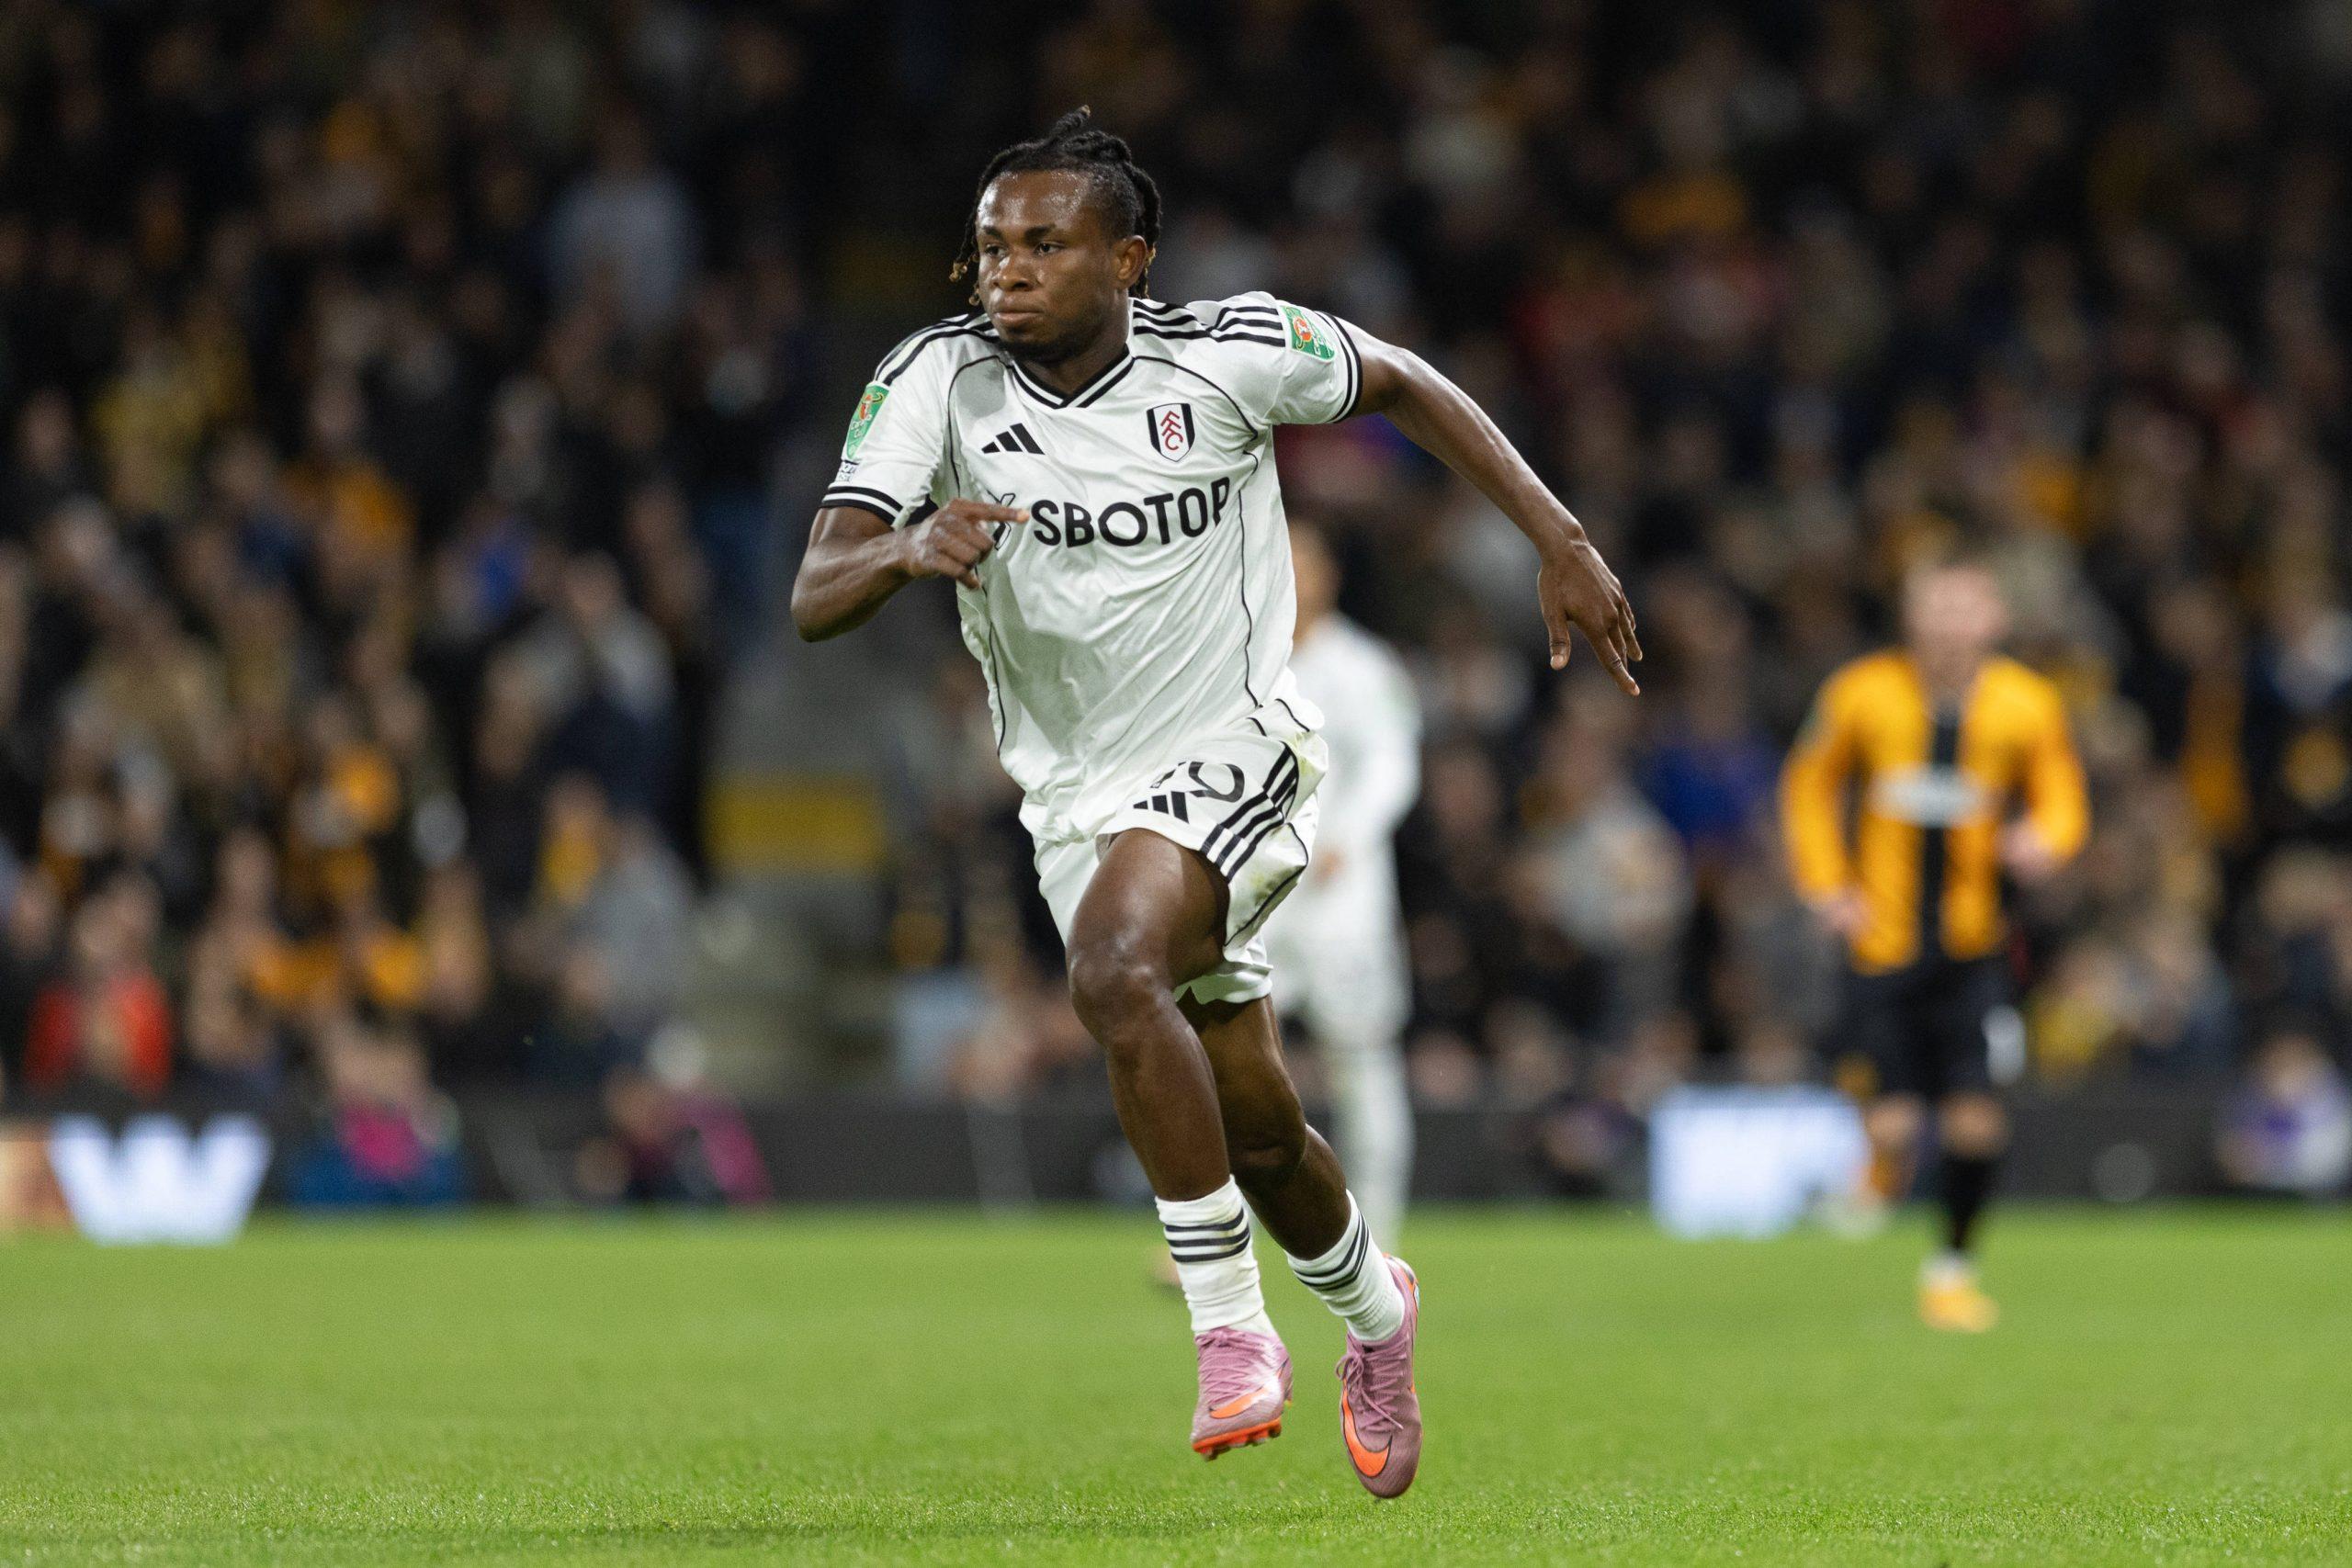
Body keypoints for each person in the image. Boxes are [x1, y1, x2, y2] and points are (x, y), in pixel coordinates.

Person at [792, 111, 1639, 1495]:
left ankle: (1231, 1330)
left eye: (1044, 244)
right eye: (992, 246)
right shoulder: (932, 378)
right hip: (1075, 793)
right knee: (1258, 1127)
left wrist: (1560, 534)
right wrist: (903, 547)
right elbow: (814, 593)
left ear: (1129, 258)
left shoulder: (1230, 351)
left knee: (1111, 967)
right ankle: (1377, 1313)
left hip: (1238, 746)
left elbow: (1406, 379)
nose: (1008, 270)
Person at [1779, 558, 2087, 1332]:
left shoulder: (2027, 703)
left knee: (1975, 1119)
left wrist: (2044, 839)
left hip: (1975, 948)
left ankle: (1952, 1269)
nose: (1949, 625)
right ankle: (1872, 1175)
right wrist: (1827, 884)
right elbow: (1809, 785)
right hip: (1882, 946)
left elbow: (2062, 795)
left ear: (1994, 619)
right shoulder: (1861, 693)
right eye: (1936, 608)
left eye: (1964, 608)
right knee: (1892, 1125)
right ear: (1910, 617)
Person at [1262, 521, 1420, 1249]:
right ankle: (1221, 1238)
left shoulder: (1363, 666)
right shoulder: (1243, 658)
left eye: (1303, 559)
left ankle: (1379, 1238)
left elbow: (1393, 768)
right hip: (1255, 898)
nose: (1290, 573)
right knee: (1231, 1062)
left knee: (1361, 1061)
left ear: (1330, 572)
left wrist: (1345, 841)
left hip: (1339, 902)